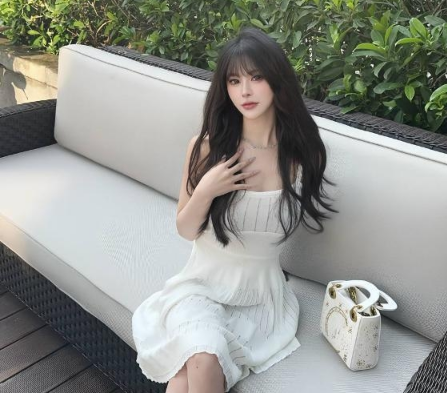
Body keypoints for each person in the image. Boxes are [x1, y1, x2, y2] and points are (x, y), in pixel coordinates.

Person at [132, 26, 338, 393]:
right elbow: (185, 228)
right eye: (234, 80)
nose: (244, 91)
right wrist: (207, 189)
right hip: (200, 288)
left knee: (187, 374)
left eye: (256, 77)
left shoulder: (302, 154)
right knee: (203, 354)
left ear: (277, 80)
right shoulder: (209, 147)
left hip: (261, 298)